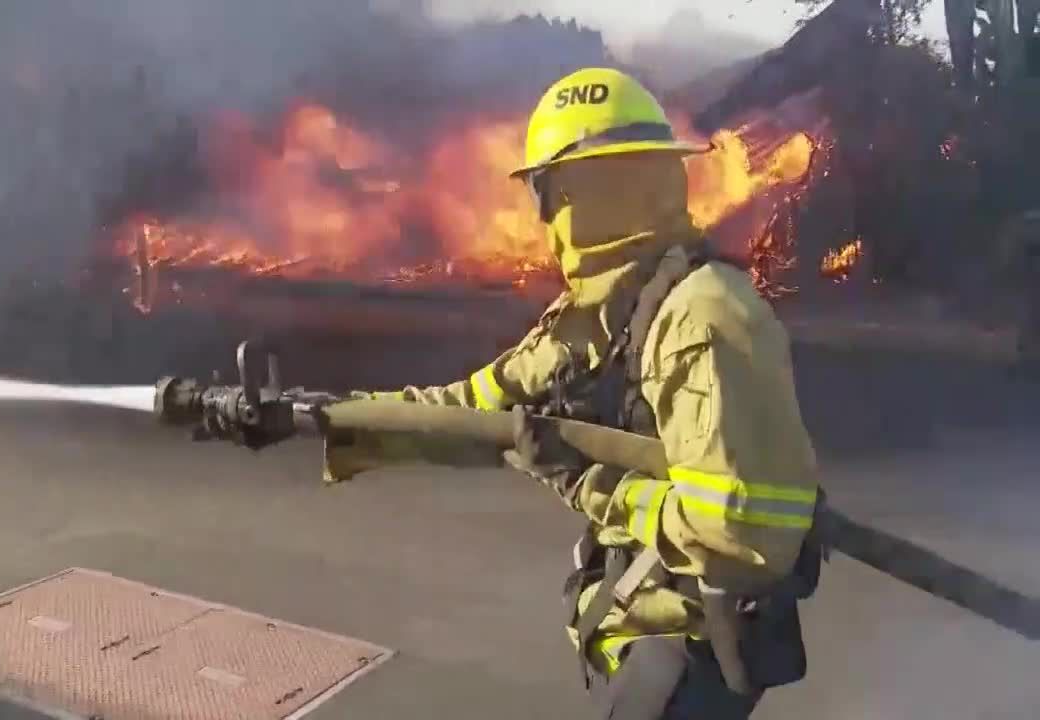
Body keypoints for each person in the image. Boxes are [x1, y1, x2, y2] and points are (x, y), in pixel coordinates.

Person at [325, 67, 823, 719]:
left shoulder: (707, 316)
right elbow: (481, 407)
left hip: (687, 648)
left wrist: (589, 484)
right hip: (630, 635)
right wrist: (333, 421)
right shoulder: (598, 311)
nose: (539, 213)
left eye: (544, 190)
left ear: (580, 190)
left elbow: (747, 531)